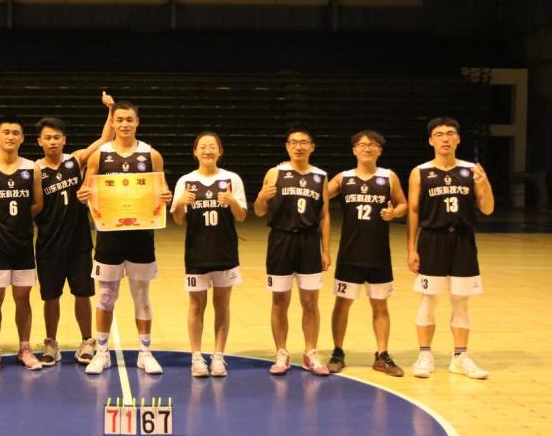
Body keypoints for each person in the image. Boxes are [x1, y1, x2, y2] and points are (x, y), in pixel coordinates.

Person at [77, 101, 173, 375]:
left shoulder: (151, 155)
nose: (124, 124)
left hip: (141, 237)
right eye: (119, 119)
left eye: (129, 119)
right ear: (113, 122)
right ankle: (102, 352)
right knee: (106, 296)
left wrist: (165, 195)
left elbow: (161, 190)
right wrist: (84, 195)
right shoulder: (100, 155)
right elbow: (86, 190)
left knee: (141, 295)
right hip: (109, 237)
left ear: (137, 121)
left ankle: (145, 352)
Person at [407, 117, 494, 380]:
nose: (445, 138)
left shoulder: (471, 170)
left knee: (461, 301)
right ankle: (425, 355)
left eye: (450, 133)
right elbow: (413, 211)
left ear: (458, 139)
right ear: (430, 140)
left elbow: (487, 208)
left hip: (463, 241)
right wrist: (411, 248)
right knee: (429, 299)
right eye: (439, 134)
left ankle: (460, 357)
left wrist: (484, 183)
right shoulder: (420, 172)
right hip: (432, 240)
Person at [33, 92, 115, 366]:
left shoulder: (75, 160)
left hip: (78, 243)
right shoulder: (34, 170)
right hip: (48, 244)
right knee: (51, 297)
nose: (52, 141)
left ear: (64, 140)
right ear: (39, 141)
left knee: (83, 294)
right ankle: (51, 342)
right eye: (47, 138)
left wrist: (110, 110)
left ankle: (87, 341)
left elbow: (105, 139)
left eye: (57, 137)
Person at [325, 130, 408, 376]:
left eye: (373, 145)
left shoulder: (388, 177)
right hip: (349, 252)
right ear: (354, 150)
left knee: (380, 305)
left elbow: (403, 204)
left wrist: (394, 213)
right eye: (362, 145)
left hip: (378, 253)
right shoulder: (344, 178)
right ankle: (337, 352)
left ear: (379, 150)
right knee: (342, 304)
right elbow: (316, 195)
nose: (367, 148)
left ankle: (382, 355)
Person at [253, 123, 331, 376]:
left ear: (312, 147)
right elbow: (259, 211)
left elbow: (324, 216)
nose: (299, 146)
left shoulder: (320, 176)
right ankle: (281, 352)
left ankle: (310, 353)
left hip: (309, 242)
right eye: (294, 142)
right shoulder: (275, 173)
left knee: (310, 301)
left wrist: (326, 250)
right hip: (281, 240)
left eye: (303, 142)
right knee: (280, 300)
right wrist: (262, 197)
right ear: (287, 147)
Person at [170, 132, 247, 377]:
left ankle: (218, 356)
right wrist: (180, 203)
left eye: (212, 146)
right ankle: (196, 357)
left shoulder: (231, 179)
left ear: (219, 151)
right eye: (202, 147)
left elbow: (241, 216)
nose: (207, 151)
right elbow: (178, 220)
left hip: (225, 253)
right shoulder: (186, 181)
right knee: (196, 306)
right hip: (196, 254)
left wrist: (232, 201)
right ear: (195, 152)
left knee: (222, 306)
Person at [0, 116, 45, 372]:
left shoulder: (32, 168)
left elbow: (38, 204)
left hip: (23, 245)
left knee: (23, 298)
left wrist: (18, 222)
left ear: (22, 138)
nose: (10, 137)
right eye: (6, 132)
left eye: (15, 133)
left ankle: (25, 348)